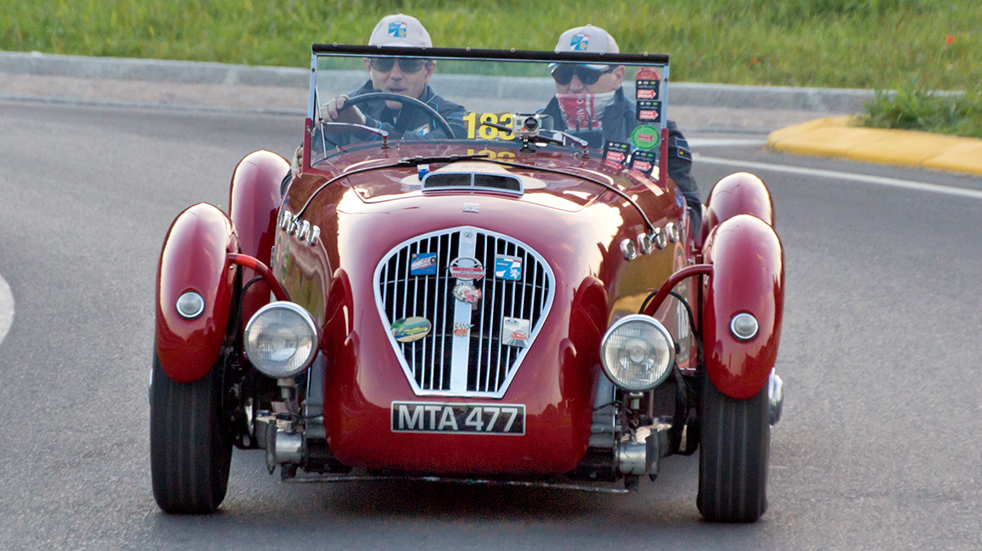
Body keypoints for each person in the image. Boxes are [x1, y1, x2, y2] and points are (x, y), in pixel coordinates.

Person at [541, 25, 701, 233]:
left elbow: (689, 215)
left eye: (586, 74)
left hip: (625, 239)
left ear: (617, 76)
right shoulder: (535, 128)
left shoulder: (656, 133)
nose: (574, 85)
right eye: (562, 74)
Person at [319, 14, 466, 145]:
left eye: (408, 63)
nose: (396, 75)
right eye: (384, 62)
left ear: (428, 70)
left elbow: (441, 146)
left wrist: (364, 126)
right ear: (369, 66)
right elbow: (313, 160)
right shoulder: (344, 111)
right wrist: (304, 156)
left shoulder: (454, 116)